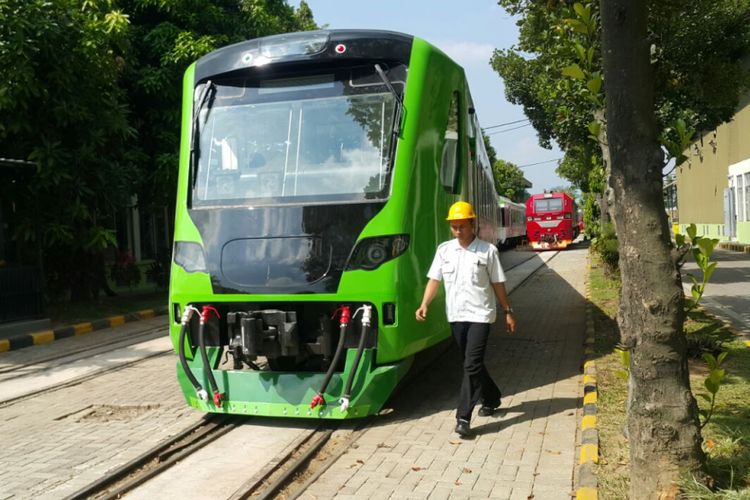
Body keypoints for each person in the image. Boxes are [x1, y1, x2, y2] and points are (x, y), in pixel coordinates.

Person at [416, 201, 516, 437]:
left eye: (462, 226)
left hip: (481, 315)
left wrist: (508, 311)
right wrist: (424, 304)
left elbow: (498, 283)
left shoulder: (487, 251)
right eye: (454, 227)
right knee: (472, 364)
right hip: (456, 315)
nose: (458, 231)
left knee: (471, 364)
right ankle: (492, 396)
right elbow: (434, 280)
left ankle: (463, 417)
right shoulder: (444, 250)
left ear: (473, 224)